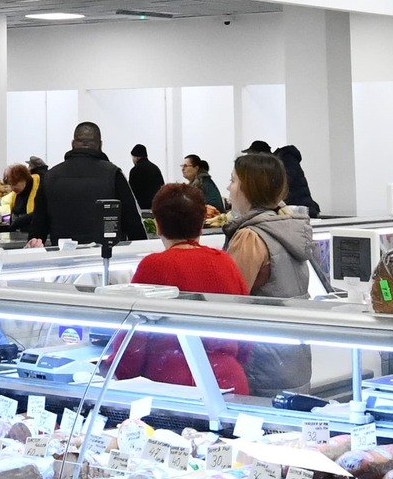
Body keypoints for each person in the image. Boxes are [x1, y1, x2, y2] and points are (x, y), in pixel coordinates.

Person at [112, 183, 250, 392]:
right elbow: (246, 329)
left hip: (173, 386)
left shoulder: (154, 266)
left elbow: (134, 338)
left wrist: (118, 372)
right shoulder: (225, 261)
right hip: (231, 381)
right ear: (202, 223)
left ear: (157, 225)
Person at [223, 150, 315, 392]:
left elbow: (229, 301)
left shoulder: (250, 236)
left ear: (249, 188)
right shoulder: (289, 228)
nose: (228, 188)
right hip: (292, 358)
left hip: (260, 362)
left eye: (233, 181)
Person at [39, 122, 148, 246]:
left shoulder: (50, 176)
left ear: (73, 144)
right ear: (100, 145)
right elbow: (133, 222)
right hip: (106, 253)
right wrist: (143, 249)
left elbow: (38, 226)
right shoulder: (114, 174)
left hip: (62, 254)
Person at [273, 143, 323, 218]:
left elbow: (287, 180)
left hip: (299, 209)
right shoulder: (286, 158)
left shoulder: (286, 158)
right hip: (302, 208)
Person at [127, 143, 166, 212]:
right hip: (156, 207)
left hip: (141, 209)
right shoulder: (155, 168)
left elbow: (131, 193)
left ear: (136, 157)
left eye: (133, 157)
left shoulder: (135, 170)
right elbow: (162, 188)